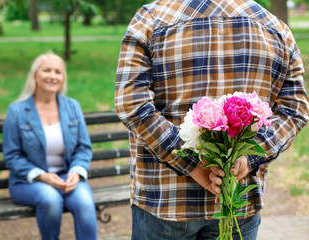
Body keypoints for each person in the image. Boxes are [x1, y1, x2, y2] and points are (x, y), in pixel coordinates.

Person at [115, 0, 309, 239]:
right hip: (237, 202)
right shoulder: (276, 29)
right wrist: (248, 159)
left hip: (167, 201)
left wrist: (193, 164)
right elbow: (295, 109)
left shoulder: (151, 19)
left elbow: (132, 104)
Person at [3, 53, 98, 240]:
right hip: (29, 181)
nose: (52, 76)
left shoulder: (72, 106)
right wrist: (43, 176)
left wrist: (76, 172)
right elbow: (12, 155)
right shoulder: (17, 111)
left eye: (58, 72)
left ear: (63, 79)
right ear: (35, 76)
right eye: (46, 70)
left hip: (66, 176)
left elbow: (83, 147)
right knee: (50, 199)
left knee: (85, 202)